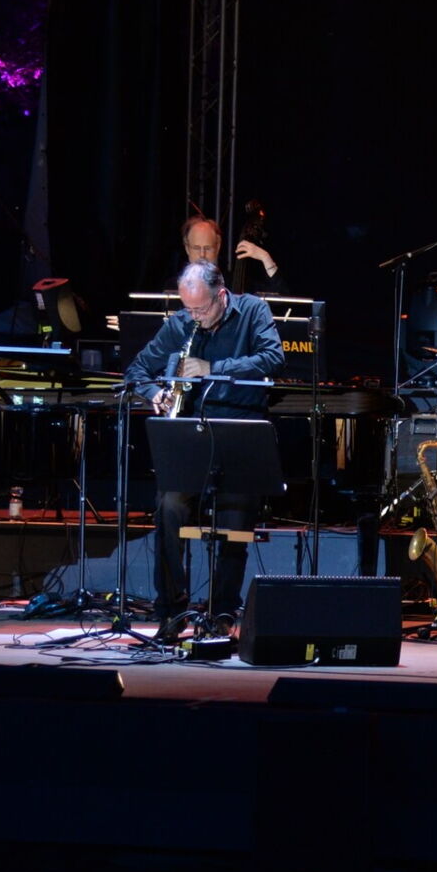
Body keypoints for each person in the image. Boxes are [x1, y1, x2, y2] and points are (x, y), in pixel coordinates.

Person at [122, 261, 286, 633]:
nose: (194, 317)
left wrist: (213, 367)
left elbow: (273, 358)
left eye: (201, 309)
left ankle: (222, 612)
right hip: (191, 433)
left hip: (241, 428)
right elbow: (137, 370)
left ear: (221, 295)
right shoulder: (181, 322)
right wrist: (156, 393)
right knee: (168, 507)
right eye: (189, 309)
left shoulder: (253, 311)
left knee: (235, 523)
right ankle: (171, 610)